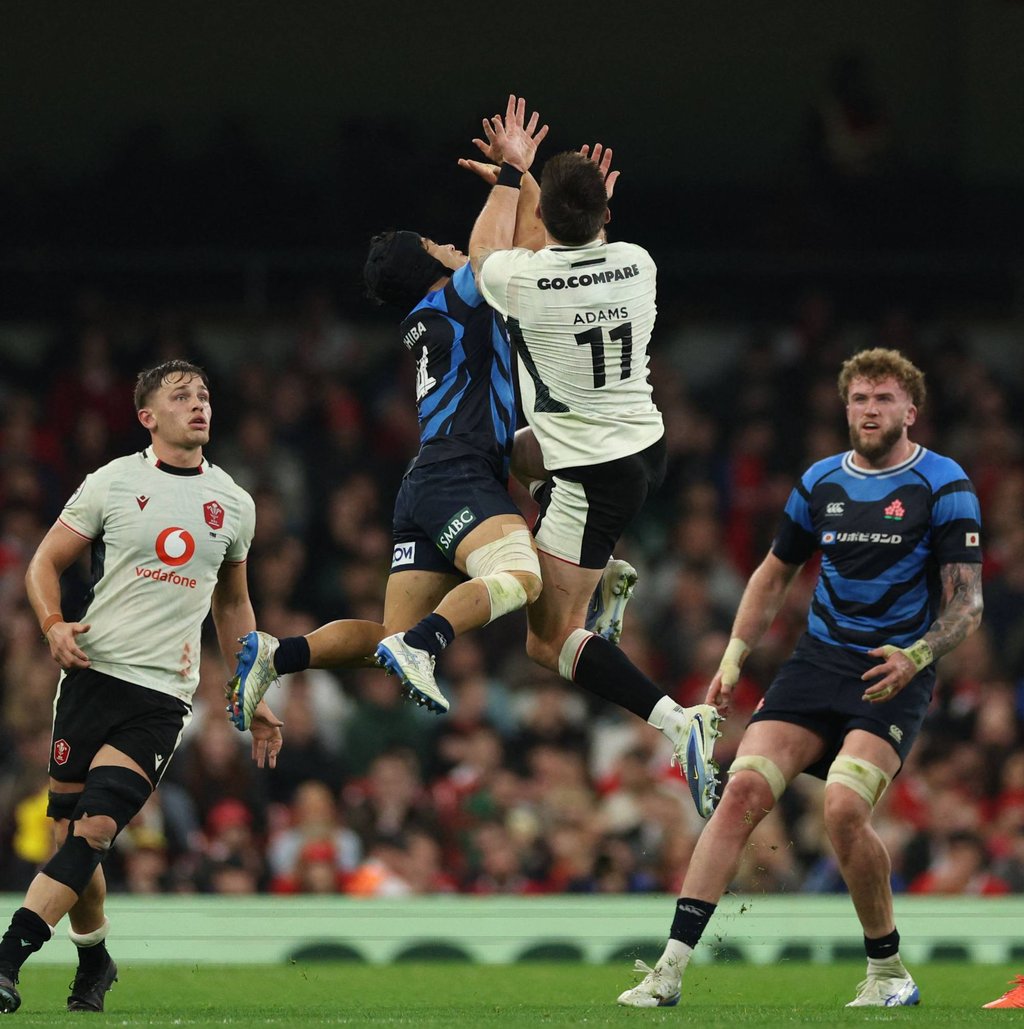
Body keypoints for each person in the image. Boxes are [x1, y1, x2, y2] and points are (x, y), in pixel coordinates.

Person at [229, 99, 716, 812]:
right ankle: (430, 644)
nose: (451, 246)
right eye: (438, 244)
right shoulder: (486, 293)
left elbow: (517, 255)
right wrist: (515, 176)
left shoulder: (436, 315)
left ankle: (279, 654)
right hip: (466, 473)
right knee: (519, 577)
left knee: (392, 626)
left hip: (434, 477)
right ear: (431, 267)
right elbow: (505, 251)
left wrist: (536, 191)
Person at [616, 347, 983, 1011]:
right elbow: (773, 573)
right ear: (846, 408)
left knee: (842, 808)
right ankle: (668, 971)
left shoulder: (944, 482)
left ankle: (888, 970)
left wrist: (918, 656)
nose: (870, 409)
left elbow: (968, 602)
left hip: (891, 670)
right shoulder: (820, 482)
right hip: (816, 663)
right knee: (741, 791)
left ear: (911, 410)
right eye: (859, 398)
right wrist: (733, 657)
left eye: (884, 398)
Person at [0, 361, 283, 1015]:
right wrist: (51, 623)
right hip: (90, 678)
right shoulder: (114, 482)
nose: (199, 404)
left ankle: (8, 957)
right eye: (181, 396)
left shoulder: (234, 503)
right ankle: (95, 957)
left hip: (160, 694)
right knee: (71, 840)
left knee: (97, 827)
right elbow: (44, 562)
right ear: (147, 417)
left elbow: (232, 604)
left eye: (204, 394)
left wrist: (253, 687)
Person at [467, 94, 720, 815]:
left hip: (589, 475)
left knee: (548, 643)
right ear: (606, 213)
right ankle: (604, 569)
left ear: (550, 217)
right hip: (641, 444)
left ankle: (678, 721)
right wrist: (542, 188)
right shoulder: (637, 263)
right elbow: (557, 246)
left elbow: (488, 255)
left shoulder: (525, 282)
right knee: (509, 454)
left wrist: (511, 175)